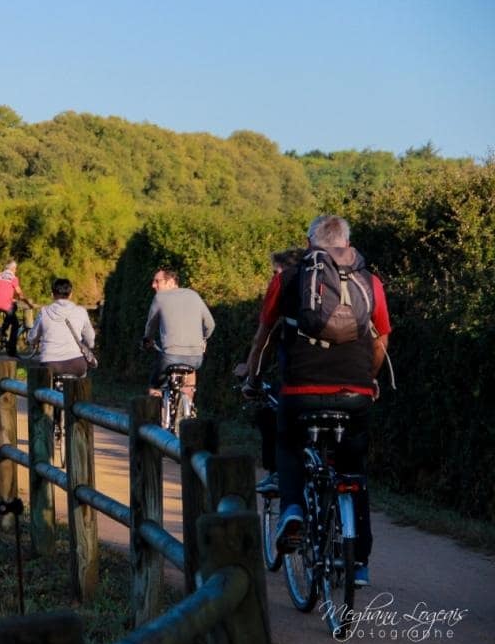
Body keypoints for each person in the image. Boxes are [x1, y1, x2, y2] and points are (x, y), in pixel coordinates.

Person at [240, 215, 391, 587]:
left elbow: (264, 337)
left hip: (300, 392)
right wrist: (367, 381)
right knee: (353, 471)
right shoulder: (370, 282)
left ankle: (292, 509)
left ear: (310, 244)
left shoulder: (288, 279)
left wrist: (252, 377)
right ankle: (359, 564)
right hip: (355, 395)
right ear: (346, 243)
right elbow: (381, 340)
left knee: (288, 443)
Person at [234, 247, 304, 494]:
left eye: (275, 271)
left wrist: (252, 379)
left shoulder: (284, 286)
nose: (272, 277)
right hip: (350, 383)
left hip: (299, 384)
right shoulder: (326, 290)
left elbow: (263, 340)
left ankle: (277, 476)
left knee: (270, 414)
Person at [141, 268, 215, 400]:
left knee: (155, 386)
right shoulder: (193, 295)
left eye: (157, 281)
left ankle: (159, 418)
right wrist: (203, 339)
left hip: (170, 356)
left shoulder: (160, 297)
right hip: (196, 358)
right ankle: (187, 410)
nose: (153, 285)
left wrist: (148, 340)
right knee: (190, 373)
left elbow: (150, 326)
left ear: (171, 282)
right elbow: (210, 324)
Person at [27, 278, 95, 377]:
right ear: (71, 294)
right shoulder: (81, 311)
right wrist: (89, 345)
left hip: (50, 364)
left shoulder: (44, 312)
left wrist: (32, 341)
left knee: (44, 388)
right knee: (80, 379)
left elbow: (32, 337)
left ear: (52, 294)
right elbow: (90, 340)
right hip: (76, 363)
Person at [0, 260, 34, 357]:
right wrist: (29, 304)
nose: (16, 270)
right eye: (16, 268)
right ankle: (12, 350)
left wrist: (10, 298)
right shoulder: (13, 278)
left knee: (11, 309)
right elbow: (20, 295)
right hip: (5, 304)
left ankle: (4, 329)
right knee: (16, 324)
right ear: (13, 268)